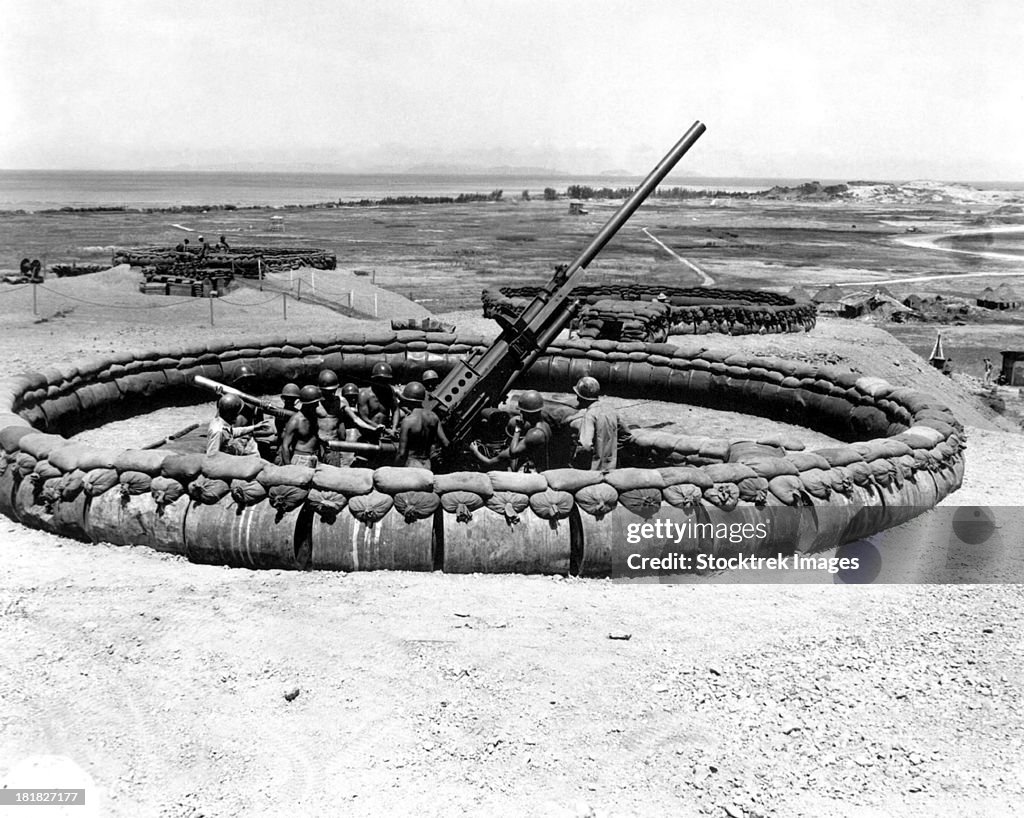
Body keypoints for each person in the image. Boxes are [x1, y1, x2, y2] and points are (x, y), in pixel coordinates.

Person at [469, 390, 552, 472]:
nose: (520, 413)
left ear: (527, 412)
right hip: (540, 469)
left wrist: (475, 451)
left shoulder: (535, 434)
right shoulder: (545, 426)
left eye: (522, 411)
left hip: (531, 474)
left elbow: (512, 453)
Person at [317, 370, 381, 466]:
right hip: (317, 447)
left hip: (333, 447)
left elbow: (356, 419)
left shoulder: (341, 402)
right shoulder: (315, 403)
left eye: (332, 391)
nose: (330, 394)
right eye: (326, 391)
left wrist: (373, 428)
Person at [569, 376, 629, 471]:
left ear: (582, 397)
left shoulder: (590, 415)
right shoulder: (611, 409)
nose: (577, 399)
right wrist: (611, 450)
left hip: (594, 470)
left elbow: (586, 446)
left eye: (578, 396)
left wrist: (576, 461)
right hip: (612, 468)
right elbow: (626, 435)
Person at [395, 382, 449, 469]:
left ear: (408, 401)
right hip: (427, 465)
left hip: (411, 465)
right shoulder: (434, 417)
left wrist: (395, 469)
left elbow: (401, 454)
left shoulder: (408, 421)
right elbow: (445, 443)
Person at [280, 385, 322, 467]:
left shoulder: (314, 417)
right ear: (308, 404)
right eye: (315, 403)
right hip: (301, 459)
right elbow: (285, 446)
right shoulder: (295, 421)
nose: (317, 406)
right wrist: (288, 467)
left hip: (315, 458)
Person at [358, 362, 401, 435]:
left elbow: (396, 409)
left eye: (386, 380)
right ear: (374, 379)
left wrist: (394, 428)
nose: (384, 383)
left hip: (386, 431)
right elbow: (364, 418)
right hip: (369, 431)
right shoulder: (364, 395)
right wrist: (378, 427)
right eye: (381, 380)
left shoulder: (389, 391)